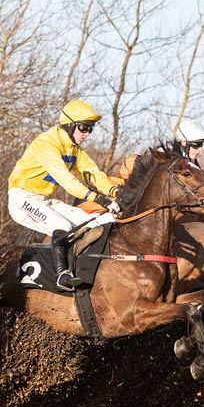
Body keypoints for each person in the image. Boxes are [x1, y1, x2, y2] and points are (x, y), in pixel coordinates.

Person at [8, 100, 122, 291]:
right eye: (84, 128)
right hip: (21, 199)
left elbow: (94, 174)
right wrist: (100, 199)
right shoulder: (47, 143)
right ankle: (62, 274)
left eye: (90, 129)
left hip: (44, 200)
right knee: (62, 226)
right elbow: (68, 181)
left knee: (95, 220)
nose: (87, 134)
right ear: (69, 124)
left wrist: (116, 193)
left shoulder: (74, 149)